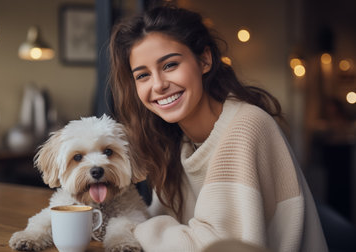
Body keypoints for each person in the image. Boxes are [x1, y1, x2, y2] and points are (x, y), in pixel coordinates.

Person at [108, 5, 328, 252]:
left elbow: (213, 246)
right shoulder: (177, 142)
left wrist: (128, 228)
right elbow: (158, 220)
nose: (158, 85)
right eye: (142, 75)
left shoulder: (244, 127)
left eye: (170, 65)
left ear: (204, 60)